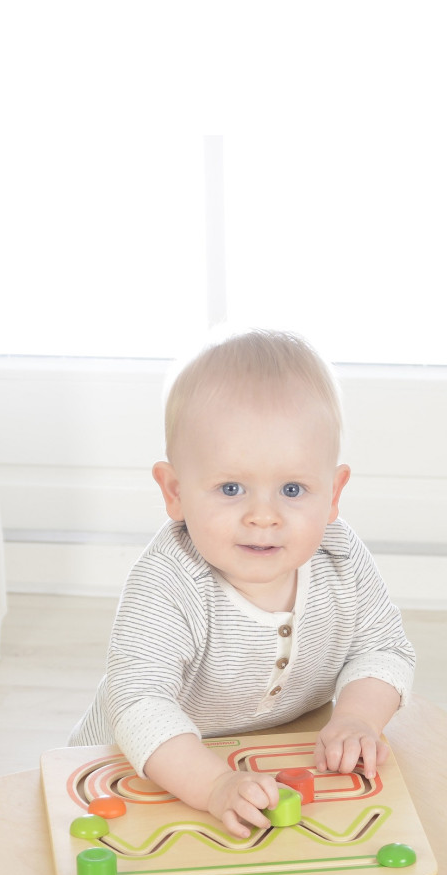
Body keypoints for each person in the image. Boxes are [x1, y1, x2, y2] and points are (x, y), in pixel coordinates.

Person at [70, 328, 415, 839]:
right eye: (231, 488)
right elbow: (140, 703)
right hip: (137, 771)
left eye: (292, 489)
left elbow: (383, 650)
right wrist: (213, 785)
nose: (263, 516)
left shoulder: (341, 558)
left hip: (272, 755)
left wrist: (357, 719)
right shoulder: (169, 582)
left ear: (334, 492)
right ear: (175, 491)